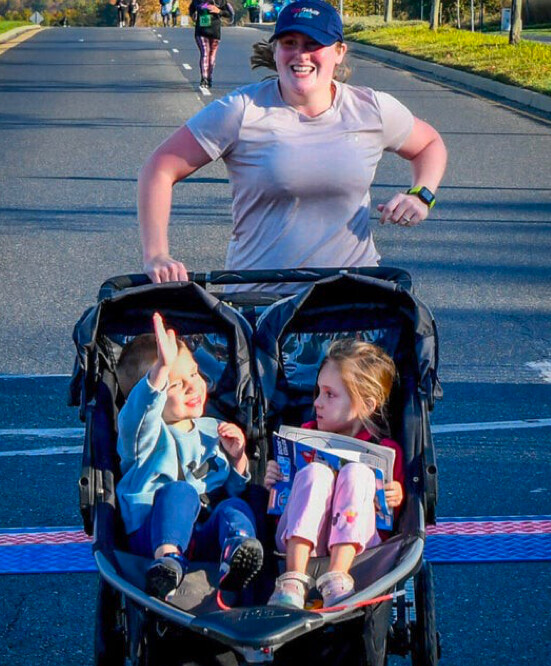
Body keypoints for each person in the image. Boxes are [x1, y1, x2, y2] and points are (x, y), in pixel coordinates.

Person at [138, 0, 447, 289]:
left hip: (350, 299)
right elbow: (159, 168)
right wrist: (156, 255)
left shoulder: (370, 108)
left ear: (339, 52)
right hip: (259, 298)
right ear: (275, 51)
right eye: (289, 43)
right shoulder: (242, 110)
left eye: (313, 44)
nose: (301, 55)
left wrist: (422, 194)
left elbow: (429, 144)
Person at [116, 312, 263, 599]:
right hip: (154, 533)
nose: (193, 386)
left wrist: (237, 460)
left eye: (194, 374)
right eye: (175, 384)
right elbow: (138, 413)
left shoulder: (212, 429)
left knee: (234, 507)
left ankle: (237, 552)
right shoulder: (144, 438)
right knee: (180, 492)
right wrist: (161, 370)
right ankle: (167, 562)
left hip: (202, 533)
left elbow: (231, 489)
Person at [263, 339, 405, 609]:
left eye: (329, 395)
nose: (317, 402)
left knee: (358, 474)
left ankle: (337, 576)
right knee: (315, 472)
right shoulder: (304, 435)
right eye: (318, 392)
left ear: (366, 405)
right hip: (300, 537)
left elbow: (392, 521)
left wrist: (395, 496)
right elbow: (280, 502)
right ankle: (292, 579)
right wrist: (273, 478)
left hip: (359, 546)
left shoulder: (385, 451)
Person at [189, 0, 233, 89]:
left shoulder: (220, 1)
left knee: (211, 55)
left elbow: (229, 13)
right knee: (205, 53)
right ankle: (204, 78)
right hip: (201, 31)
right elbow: (192, 8)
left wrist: (219, 11)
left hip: (214, 31)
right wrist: (194, 15)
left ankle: (208, 77)